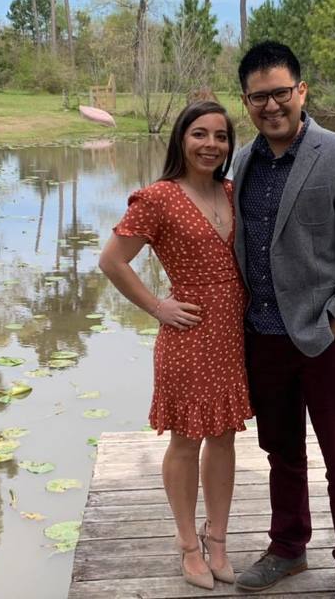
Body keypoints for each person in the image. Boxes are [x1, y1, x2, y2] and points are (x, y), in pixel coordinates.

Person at [232, 42, 335, 599]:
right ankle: (288, 548)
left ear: (301, 91)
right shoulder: (241, 162)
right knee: (282, 454)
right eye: (258, 97)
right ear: (245, 101)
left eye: (280, 93)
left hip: (325, 338)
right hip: (264, 336)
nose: (270, 106)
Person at [99, 100, 252, 591]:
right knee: (186, 441)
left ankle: (218, 538)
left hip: (233, 335)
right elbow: (112, 261)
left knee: (224, 436)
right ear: (181, 139)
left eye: (221, 136)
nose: (211, 144)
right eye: (199, 134)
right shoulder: (159, 198)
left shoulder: (233, 191)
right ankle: (188, 543)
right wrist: (156, 306)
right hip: (188, 335)